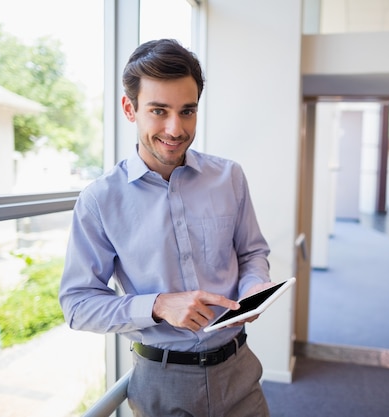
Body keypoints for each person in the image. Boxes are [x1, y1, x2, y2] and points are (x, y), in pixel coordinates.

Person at [58, 38, 272, 417]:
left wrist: (254, 285)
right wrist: (157, 306)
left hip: (239, 372)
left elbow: (252, 253)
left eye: (187, 111)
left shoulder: (230, 177)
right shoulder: (100, 200)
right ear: (130, 108)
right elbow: (77, 305)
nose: (175, 129)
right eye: (159, 111)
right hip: (162, 381)